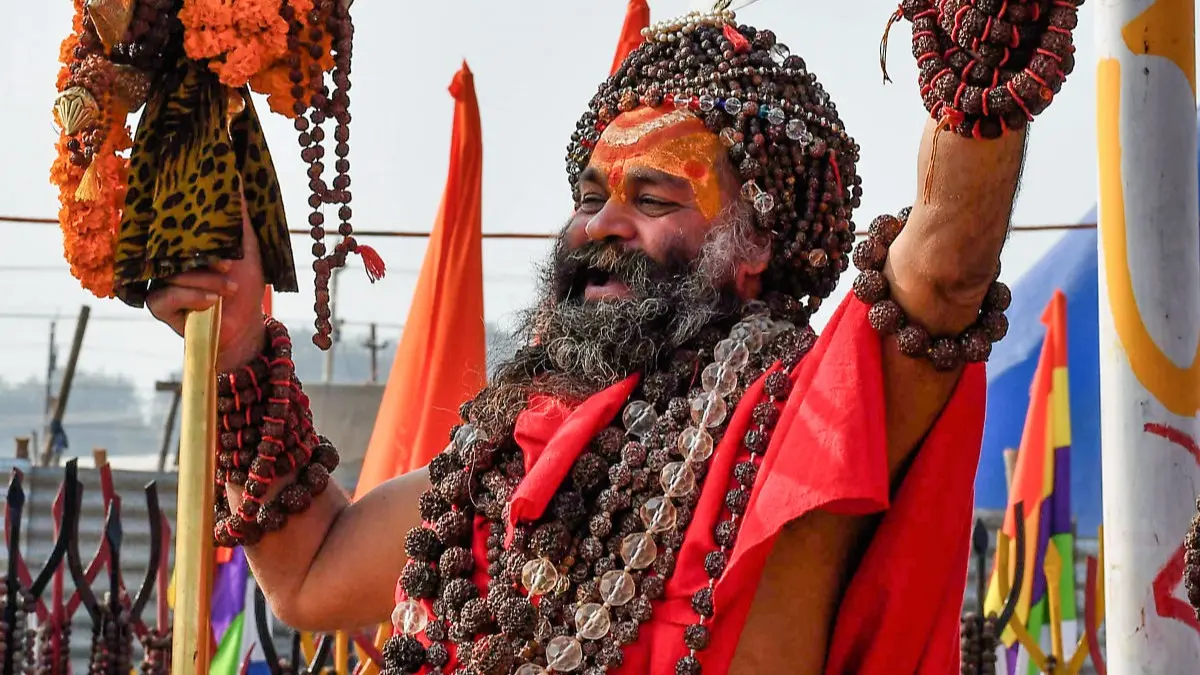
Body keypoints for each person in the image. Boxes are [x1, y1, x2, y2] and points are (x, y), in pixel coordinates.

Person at [147, 3, 1081, 673]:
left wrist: (980, 67)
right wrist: (236, 346)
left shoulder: (796, 419)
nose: (598, 225)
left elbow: (946, 268)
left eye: (654, 196)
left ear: (754, 240)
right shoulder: (507, 462)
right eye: (590, 196)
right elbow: (310, 573)